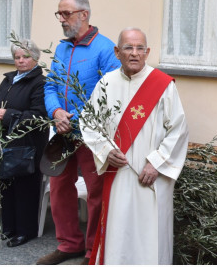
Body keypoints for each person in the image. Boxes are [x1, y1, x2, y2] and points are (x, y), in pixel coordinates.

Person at [81, 27, 189, 265]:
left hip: (151, 177)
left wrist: (157, 163)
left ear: (147, 52)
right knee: (118, 231)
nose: (134, 53)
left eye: (140, 48)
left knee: (150, 235)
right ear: (117, 51)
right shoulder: (106, 84)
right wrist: (106, 150)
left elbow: (178, 130)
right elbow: (89, 122)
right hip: (118, 174)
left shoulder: (162, 85)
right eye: (128, 47)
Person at [37, 0, 120, 265]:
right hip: (62, 134)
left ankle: (92, 249)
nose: (61, 19)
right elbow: (50, 86)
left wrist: (79, 119)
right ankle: (69, 244)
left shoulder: (106, 49)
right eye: (59, 14)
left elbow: (113, 94)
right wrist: (56, 111)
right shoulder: (61, 48)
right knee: (59, 188)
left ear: (84, 14)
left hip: (92, 135)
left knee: (96, 192)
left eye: (66, 14)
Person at [0, 39, 48, 247]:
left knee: (24, 187)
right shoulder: (9, 80)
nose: (21, 61)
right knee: (7, 185)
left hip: (28, 144)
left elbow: (39, 116)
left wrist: (8, 114)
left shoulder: (40, 83)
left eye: (25, 57)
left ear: (36, 58)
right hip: (6, 143)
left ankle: (25, 231)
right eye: (17, 57)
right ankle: (8, 227)